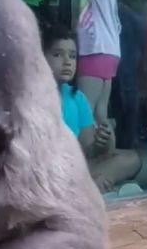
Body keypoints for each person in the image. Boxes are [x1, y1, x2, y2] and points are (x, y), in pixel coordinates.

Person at [38, 0, 124, 128]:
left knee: (85, 110)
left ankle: (84, 156)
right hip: (107, 51)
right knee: (100, 113)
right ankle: (106, 154)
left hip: (95, 49)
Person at [43, 25, 141, 194]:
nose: (67, 61)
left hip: (76, 169)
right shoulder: (34, 98)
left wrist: (99, 143)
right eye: (58, 54)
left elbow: (87, 150)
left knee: (131, 159)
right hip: (46, 172)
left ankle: (91, 186)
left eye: (72, 56)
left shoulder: (77, 97)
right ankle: (93, 187)